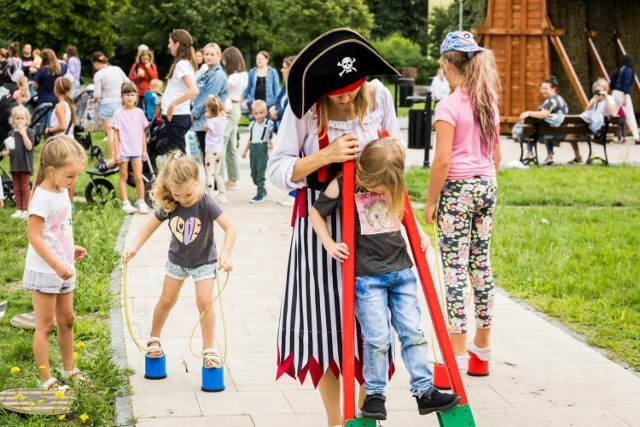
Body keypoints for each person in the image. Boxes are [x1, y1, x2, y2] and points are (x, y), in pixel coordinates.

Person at [267, 28, 402, 427]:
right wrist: (324, 155)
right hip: (321, 227)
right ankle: (336, 421)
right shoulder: (304, 110)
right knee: (323, 325)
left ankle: (365, 412)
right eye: (336, 92)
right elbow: (277, 171)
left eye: (351, 90)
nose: (344, 98)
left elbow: (395, 156)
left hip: (374, 220)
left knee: (373, 319)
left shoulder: (379, 97)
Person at [309, 137, 461, 420]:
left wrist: (420, 233)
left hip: (402, 273)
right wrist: (330, 244)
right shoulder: (344, 183)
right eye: (375, 184)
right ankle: (375, 395)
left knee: (412, 333)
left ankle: (424, 391)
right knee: (377, 338)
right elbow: (315, 213)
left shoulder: (393, 183)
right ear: (364, 172)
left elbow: (404, 211)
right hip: (368, 279)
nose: (379, 190)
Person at [424, 31, 501, 372]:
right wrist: (486, 179)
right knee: (480, 264)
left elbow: (441, 161)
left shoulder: (449, 105)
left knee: (454, 268)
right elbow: (496, 154)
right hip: (487, 185)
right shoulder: (488, 101)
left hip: (458, 191)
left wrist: (430, 203)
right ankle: (481, 349)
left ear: (445, 64)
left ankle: (453, 353)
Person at [121, 151, 236, 369]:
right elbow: (148, 227)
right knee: (166, 300)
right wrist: (133, 247)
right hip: (177, 261)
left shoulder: (206, 203)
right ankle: (154, 338)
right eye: (177, 195)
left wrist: (226, 253)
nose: (182, 200)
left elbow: (230, 227)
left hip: (204, 262)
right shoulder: (170, 204)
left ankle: (209, 349)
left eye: (187, 196)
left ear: (197, 183)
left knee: (204, 302)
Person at [24, 135, 88, 392]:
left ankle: (68, 369)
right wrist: (56, 264)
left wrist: (70, 249)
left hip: (63, 266)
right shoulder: (41, 196)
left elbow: (57, 229)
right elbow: (34, 236)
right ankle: (45, 379)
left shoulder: (61, 191)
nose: (73, 182)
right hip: (46, 270)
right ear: (52, 170)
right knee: (45, 325)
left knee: (68, 319)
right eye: (70, 176)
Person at [110, 82, 150, 215]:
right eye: (127, 95)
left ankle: (141, 201)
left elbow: (143, 133)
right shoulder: (118, 113)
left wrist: (144, 150)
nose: (130, 98)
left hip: (137, 150)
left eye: (132, 95)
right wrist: (116, 152)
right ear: (122, 96)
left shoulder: (139, 112)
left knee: (138, 177)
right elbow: (115, 134)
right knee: (123, 176)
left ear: (136, 97)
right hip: (123, 151)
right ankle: (125, 203)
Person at [162, 29, 199, 153]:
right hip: (177, 115)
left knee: (177, 156)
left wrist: (172, 105)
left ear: (177, 44)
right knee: (175, 154)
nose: (168, 46)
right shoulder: (184, 63)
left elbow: (194, 90)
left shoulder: (182, 65)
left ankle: (183, 173)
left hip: (177, 115)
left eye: (170, 42)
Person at [519, 75, 568, 165]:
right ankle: (549, 155)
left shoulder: (550, 101)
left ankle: (529, 153)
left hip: (551, 133)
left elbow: (544, 114)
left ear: (554, 89)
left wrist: (529, 113)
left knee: (531, 130)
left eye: (545, 88)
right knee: (541, 129)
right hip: (561, 132)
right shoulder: (561, 99)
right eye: (542, 88)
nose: (543, 91)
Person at [269, 55, 297, 206]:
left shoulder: (296, 87)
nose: (282, 69)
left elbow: (290, 107)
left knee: (293, 159)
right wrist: (273, 108)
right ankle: (291, 192)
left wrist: (277, 113)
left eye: (285, 67)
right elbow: (277, 100)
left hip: (289, 129)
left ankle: (294, 193)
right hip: (280, 126)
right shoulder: (285, 86)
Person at [190, 42, 228, 156]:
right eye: (206, 54)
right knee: (203, 156)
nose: (209, 57)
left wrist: (193, 113)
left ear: (218, 56)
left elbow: (208, 97)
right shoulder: (206, 72)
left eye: (212, 54)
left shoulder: (217, 75)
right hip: (200, 120)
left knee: (209, 158)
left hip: (207, 121)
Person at [92, 52, 129, 160]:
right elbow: (127, 82)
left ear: (95, 63)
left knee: (110, 133)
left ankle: (111, 158)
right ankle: (122, 155)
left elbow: (97, 95)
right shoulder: (117, 69)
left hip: (106, 105)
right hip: (118, 103)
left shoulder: (98, 75)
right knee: (120, 132)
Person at [220, 47, 247, 188]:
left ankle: (219, 177)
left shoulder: (232, 77)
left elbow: (225, 95)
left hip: (230, 110)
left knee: (222, 144)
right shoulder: (244, 75)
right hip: (237, 109)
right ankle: (233, 178)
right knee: (231, 145)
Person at [1, 105, 34, 219]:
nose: (20, 121)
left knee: (25, 188)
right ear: (13, 120)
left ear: (26, 119)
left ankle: (26, 209)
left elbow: (29, 147)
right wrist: (8, 152)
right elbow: (13, 148)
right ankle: (19, 209)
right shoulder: (11, 133)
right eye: (17, 118)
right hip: (14, 165)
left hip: (25, 165)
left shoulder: (29, 132)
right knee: (16, 188)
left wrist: (23, 133)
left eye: (22, 118)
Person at [576, 79, 617, 161]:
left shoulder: (609, 99)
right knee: (575, 126)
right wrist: (592, 103)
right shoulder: (593, 100)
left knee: (573, 130)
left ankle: (577, 155)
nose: (599, 93)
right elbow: (586, 113)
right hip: (592, 127)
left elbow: (611, 112)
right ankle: (577, 155)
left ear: (606, 90)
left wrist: (606, 99)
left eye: (602, 90)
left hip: (602, 129)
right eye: (597, 91)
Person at [242, 100, 274, 203]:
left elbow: (271, 136)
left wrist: (270, 144)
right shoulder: (252, 124)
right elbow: (250, 138)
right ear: (253, 114)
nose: (259, 116)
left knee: (260, 175)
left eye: (261, 113)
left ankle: (260, 194)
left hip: (262, 151)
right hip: (253, 150)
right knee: (253, 175)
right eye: (256, 113)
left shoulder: (268, 123)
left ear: (266, 112)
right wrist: (245, 151)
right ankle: (263, 191)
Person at [202, 96, 227, 203]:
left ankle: (210, 195)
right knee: (218, 174)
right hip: (219, 151)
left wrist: (207, 118)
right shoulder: (223, 119)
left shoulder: (211, 122)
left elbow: (205, 128)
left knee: (209, 173)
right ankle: (222, 195)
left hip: (210, 151)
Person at [610, 54, 639, 144]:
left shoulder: (619, 70)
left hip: (615, 92)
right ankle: (636, 137)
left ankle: (606, 133)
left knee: (613, 115)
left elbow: (612, 83)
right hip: (622, 94)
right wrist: (625, 97)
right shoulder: (629, 70)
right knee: (630, 115)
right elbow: (626, 84)